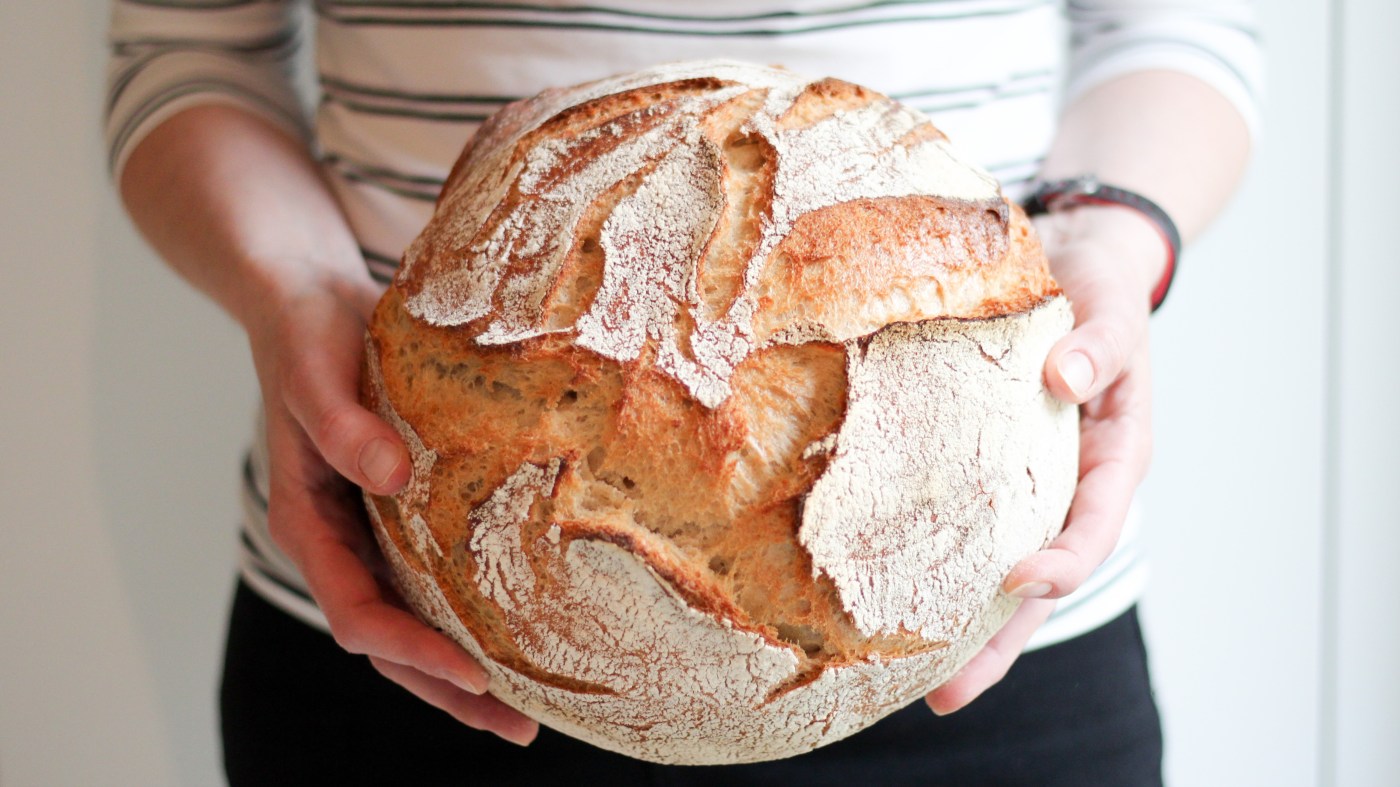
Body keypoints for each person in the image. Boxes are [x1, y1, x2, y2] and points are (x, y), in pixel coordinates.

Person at [106, 1, 1260, 783]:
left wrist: (1111, 233)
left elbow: (1175, 26)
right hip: (408, 610)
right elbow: (188, 53)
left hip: (989, 614)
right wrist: (291, 292)